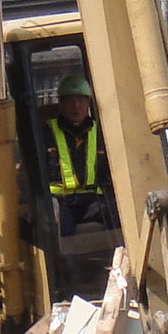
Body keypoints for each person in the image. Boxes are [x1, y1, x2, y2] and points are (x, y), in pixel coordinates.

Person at [44, 75, 111, 233]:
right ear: (61, 104)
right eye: (70, 101)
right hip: (60, 202)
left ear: (89, 103)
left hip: (93, 201)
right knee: (62, 228)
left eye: (81, 100)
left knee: (117, 215)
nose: (76, 106)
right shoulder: (46, 133)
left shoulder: (102, 132)